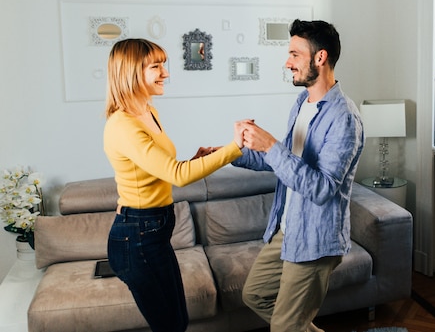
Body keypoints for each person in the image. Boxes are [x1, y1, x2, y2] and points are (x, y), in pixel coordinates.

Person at [103, 38, 244, 332]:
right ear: (131, 72)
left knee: (177, 322)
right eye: (156, 66)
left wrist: (196, 159)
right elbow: (177, 175)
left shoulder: (148, 112)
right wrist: (235, 147)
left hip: (154, 231)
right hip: (137, 235)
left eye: (163, 65)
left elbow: (158, 171)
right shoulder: (123, 125)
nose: (165, 73)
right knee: (169, 326)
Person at [234, 19, 364, 332]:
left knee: (284, 327)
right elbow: (284, 166)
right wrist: (229, 153)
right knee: (255, 295)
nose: (287, 62)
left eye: (294, 54)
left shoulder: (344, 118)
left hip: (315, 239)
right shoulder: (302, 104)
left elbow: (322, 188)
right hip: (288, 228)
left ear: (320, 58)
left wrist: (271, 145)